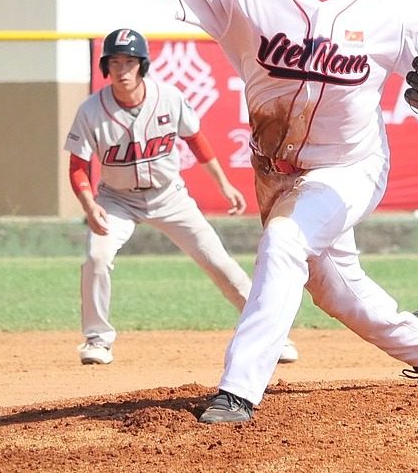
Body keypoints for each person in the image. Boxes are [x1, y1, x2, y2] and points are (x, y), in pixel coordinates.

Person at [8, 0, 418, 423]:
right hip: (276, 173)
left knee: (285, 243)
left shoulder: (388, 14)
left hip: (349, 169)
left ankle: (238, 390)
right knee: (335, 292)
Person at [66, 27, 298, 366]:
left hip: (168, 197)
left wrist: (224, 185)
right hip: (116, 200)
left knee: (218, 262)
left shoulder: (168, 97)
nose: (122, 70)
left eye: (129, 62)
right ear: (105, 67)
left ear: (142, 65)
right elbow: (77, 167)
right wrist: (89, 205)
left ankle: (271, 336)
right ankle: (97, 340)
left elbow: (196, 141)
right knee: (96, 258)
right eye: (114, 62)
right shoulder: (91, 110)